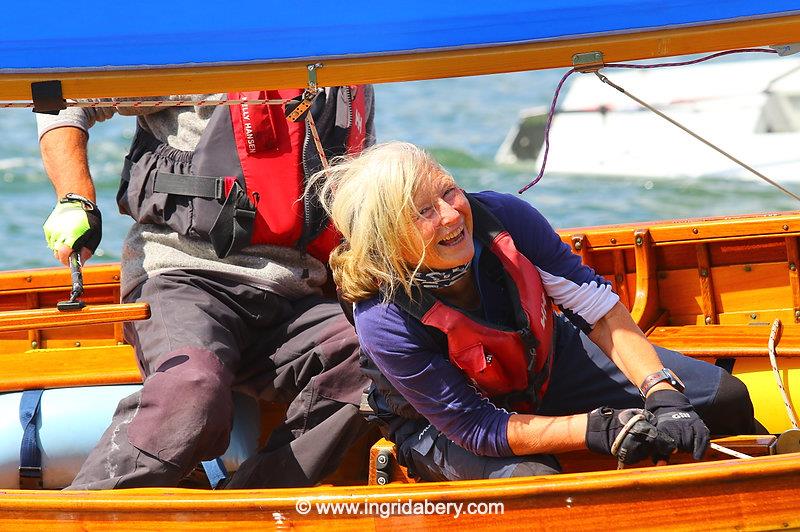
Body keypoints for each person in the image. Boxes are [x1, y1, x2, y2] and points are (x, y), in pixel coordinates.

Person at [314, 141, 756, 481]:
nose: (452, 215)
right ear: (387, 237)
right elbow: (476, 428)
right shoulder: (382, 317)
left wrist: (661, 392)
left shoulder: (506, 218)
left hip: (546, 366)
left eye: (449, 191)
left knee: (725, 398)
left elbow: (599, 310)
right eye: (424, 211)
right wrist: (599, 428)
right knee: (535, 478)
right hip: (449, 427)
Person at [36, 87, 374, 489]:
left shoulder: (345, 71)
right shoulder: (200, 47)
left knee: (377, 357)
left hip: (297, 292)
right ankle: (84, 510)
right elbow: (65, 100)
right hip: (183, 276)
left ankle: (254, 505)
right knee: (192, 388)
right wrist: (75, 198)